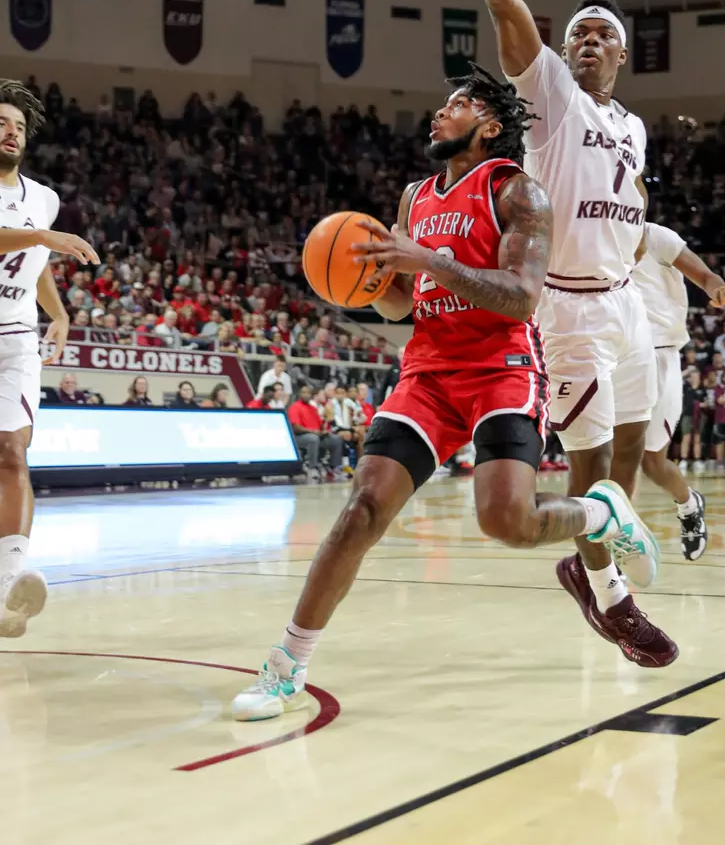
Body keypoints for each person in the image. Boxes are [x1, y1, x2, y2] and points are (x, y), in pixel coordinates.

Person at [232, 61, 660, 721]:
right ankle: (286, 667)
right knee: (359, 513)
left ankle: (599, 513)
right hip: (428, 373)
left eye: (456, 104)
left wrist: (427, 260)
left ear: (488, 125)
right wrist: (370, 282)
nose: (439, 112)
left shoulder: (520, 193)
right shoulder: (414, 198)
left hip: (501, 369)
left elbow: (520, 298)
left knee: (504, 521)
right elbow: (410, 302)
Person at [407, 0, 674, 665]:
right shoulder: (550, 93)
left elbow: (622, 208)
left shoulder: (630, 125)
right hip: (566, 306)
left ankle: (595, 556)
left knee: (632, 442)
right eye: (580, 33)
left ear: (623, 54)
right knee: (590, 459)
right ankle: (606, 594)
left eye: (602, 36)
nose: (587, 43)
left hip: (624, 297)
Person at [0, 80, 99, 638]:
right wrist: (44, 237)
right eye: (0, 123)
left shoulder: (43, 197)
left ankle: (10, 579)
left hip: (16, 336)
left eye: (18, 125)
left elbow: (36, 261)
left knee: (13, 452)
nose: (11, 132)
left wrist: (57, 313)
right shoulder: (42, 218)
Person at [634, 222, 725, 559]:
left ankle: (689, 504)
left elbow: (706, 276)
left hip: (661, 354)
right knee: (607, 457)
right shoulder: (595, 236)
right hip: (615, 356)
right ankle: (616, 544)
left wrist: (717, 288)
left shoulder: (655, 236)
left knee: (652, 463)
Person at [286, 385, 344, 481]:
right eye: (304, 392)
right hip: (299, 437)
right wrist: (314, 432)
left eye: (309, 393)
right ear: (299, 394)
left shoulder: (313, 408)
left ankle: (334, 467)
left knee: (336, 439)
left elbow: (320, 425)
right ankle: (312, 468)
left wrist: (324, 428)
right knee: (313, 438)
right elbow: (296, 428)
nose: (307, 395)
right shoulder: (295, 407)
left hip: (316, 435)